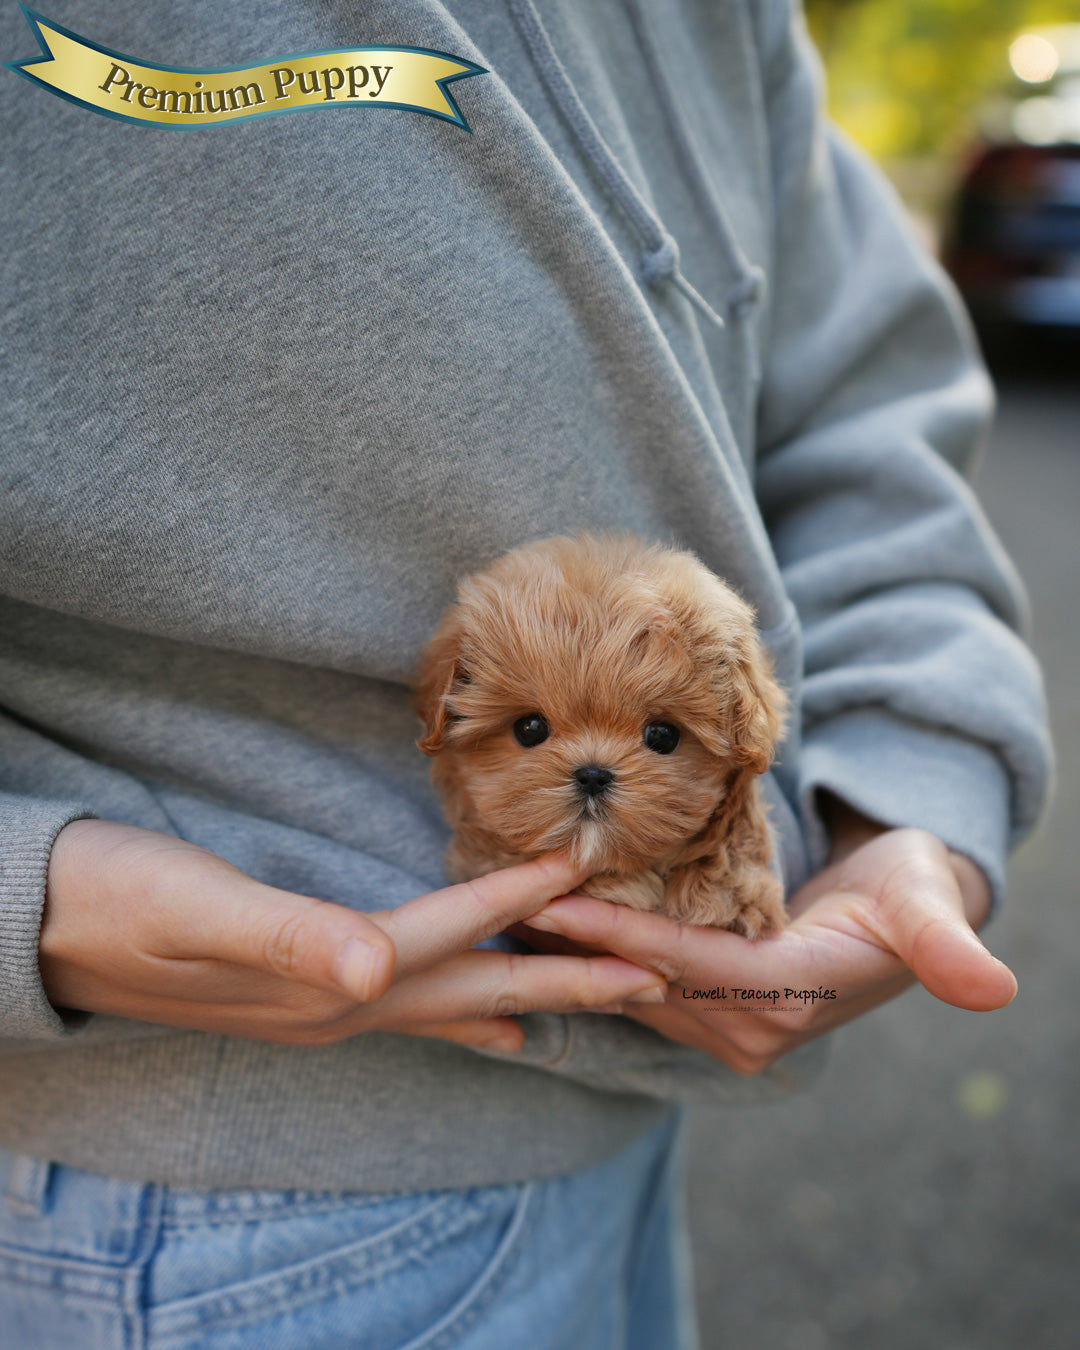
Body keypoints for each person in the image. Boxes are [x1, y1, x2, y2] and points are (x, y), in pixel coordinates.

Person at [0, 1, 1051, 1346]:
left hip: (634, 1118)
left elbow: (866, 402)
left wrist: (908, 796)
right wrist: (33, 894)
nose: (593, 769)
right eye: (535, 727)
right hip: (209, 1172)